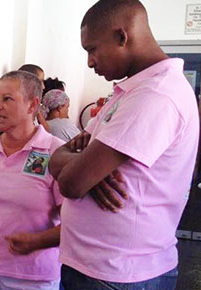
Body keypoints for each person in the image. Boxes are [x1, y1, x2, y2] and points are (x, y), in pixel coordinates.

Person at [49, 0, 200, 289]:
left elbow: (71, 184)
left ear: (122, 36)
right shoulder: (128, 92)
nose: (90, 62)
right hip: (103, 270)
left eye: (92, 49)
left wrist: (82, 167)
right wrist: (81, 163)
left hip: (121, 274)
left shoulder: (155, 95)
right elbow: (57, 161)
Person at [0, 70, 64, 289]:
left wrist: (38, 241)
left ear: (32, 105)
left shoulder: (55, 151)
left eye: (7, 99)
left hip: (32, 276)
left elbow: (77, 223)